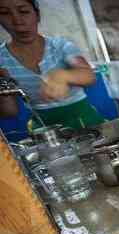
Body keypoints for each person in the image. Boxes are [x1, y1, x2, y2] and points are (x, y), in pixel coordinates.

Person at [0, 0, 104, 136]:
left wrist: (62, 75)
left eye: (23, 11)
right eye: (5, 13)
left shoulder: (60, 46)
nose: (17, 20)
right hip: (45, 132)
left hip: (85, 122)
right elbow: (10, 112)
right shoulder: (2, 59)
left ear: (37, 15)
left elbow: (89, 75)